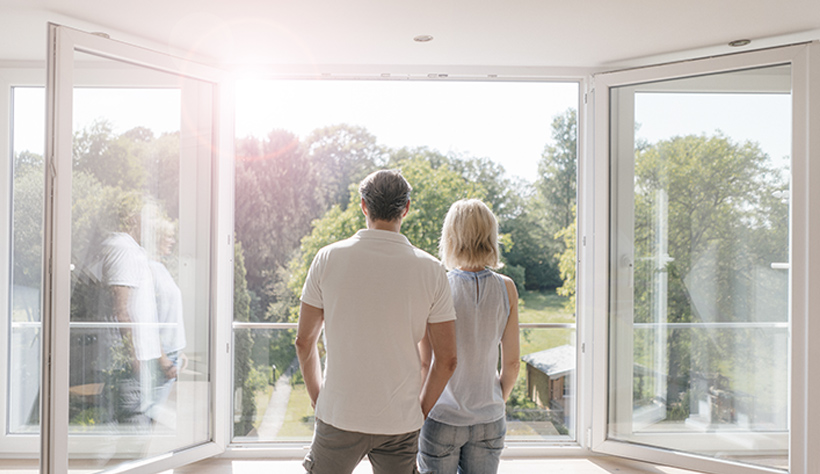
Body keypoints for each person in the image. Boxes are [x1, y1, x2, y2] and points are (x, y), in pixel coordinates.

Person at [296, 169, 458, 474]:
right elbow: (447, 359)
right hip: (400, 421)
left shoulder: (327, 258)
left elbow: (304, 341)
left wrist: (320, 399)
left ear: (363, 206)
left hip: (339, 414)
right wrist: (418, 411)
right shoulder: (432, 270)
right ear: (406, 208)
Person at [417, 199, 520, 474]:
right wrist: (496, 400)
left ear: (451, 237)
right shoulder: (507, 288)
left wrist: (419, 411)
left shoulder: (438, 286)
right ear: (490, 237)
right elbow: (512, 364)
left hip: (442, 417)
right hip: (489, 418)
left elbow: (426, 364)